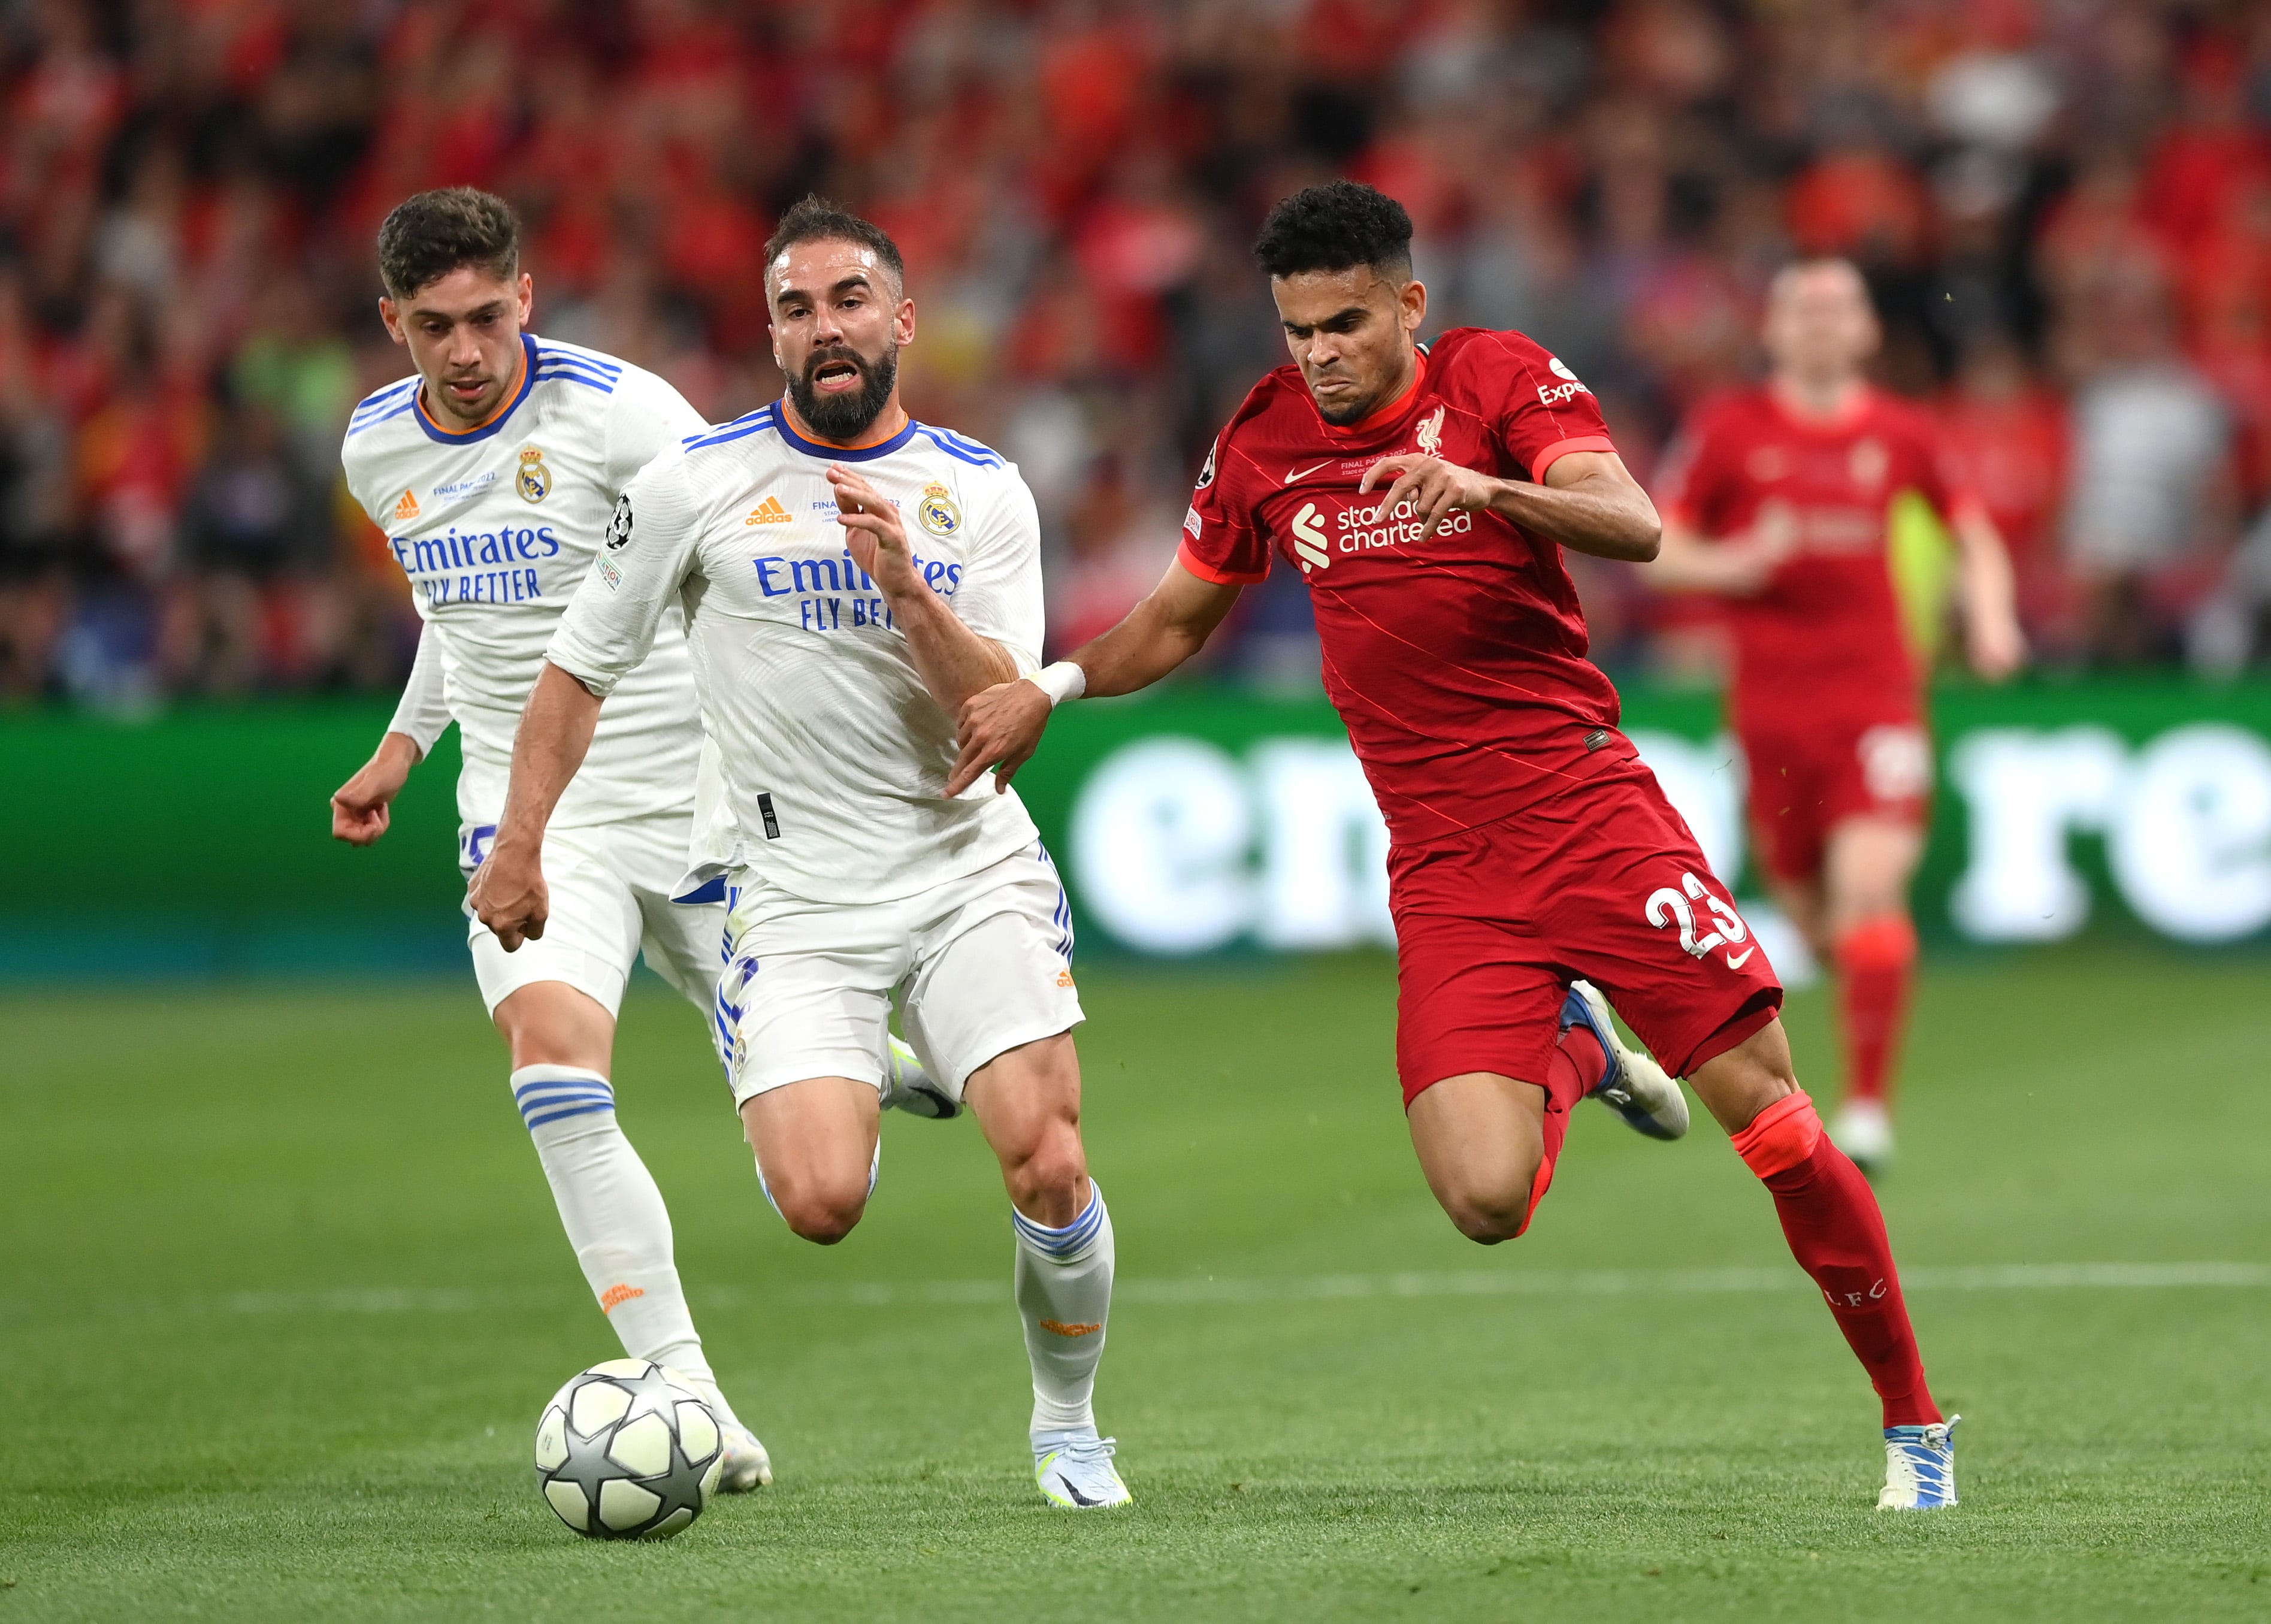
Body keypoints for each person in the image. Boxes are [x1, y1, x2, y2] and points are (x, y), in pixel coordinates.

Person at [950, 182, 1960, 1511]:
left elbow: (1637, 524)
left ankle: (1913, 1428)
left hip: (1591, 819)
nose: (1319, 352)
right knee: (1484, 1201)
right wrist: (1057, 684)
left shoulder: (1499, 380)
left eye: (1346, 322)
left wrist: (1483, 487)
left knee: (1770, 1124)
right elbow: (1179, 618)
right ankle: (1582, 1046)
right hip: (1445, 870)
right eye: (1298, 328)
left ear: (1408, 303)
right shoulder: (1263, 439)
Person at [469, 198, 1129, 1510]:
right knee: (821, 1203)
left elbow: (1002, 722)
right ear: (772, 334)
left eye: (846, 302)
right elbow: (577, 671)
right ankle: (857, 1069)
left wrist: (906, 590)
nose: (824, 329)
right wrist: (522, 842)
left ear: (901, 320)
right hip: (791, 893)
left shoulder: (981, 492)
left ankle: (1069, 1423)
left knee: (1046, 1155)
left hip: (963, 869)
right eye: (795, 308)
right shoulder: (695, 485)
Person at [331, 188, 942, 1491]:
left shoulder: (627, 416)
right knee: (552, 1069)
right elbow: (465, 611)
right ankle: (691, 1398)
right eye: (434, 327)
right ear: (394, 323)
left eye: (488, 317)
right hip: (530, 815)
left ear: (526, 299)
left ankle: (858, 1057)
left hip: (697, 794)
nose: (465, 351)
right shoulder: (376, 452)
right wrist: (406, 745)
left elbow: (706, 574)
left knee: (817, 1181)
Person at [1648, 259, 2024, 1173]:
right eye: (1802, 308)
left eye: (1838, 308)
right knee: (1816, 918)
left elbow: (1970, 528)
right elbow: (1655, 545)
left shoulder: (1902, 433)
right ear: (1772, 330)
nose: (1820, 322)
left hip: (1876, 702)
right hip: (1773, 717)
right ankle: (1852, 1039)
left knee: (1870, 890)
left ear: (1865, 332)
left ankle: (1864, 1111)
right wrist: (1734, 564)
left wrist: (1994, 615)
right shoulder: (1727, 432)